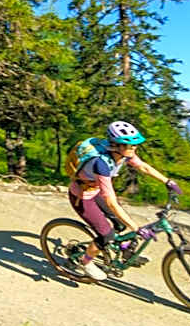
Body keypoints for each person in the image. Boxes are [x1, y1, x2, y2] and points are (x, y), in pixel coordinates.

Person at [68, 120, 183, 281]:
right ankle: (85, 262)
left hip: (96, 191)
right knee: (106, 235)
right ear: (116, 145)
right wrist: (136, 228)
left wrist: (168, 182)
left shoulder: (124, 154)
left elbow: (143, 167)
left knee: (120, 224)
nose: (134, 149)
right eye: (130, 146)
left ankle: (123, 250)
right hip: (82, 197)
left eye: (135, 145)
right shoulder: (100, 164)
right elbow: (111, 202)